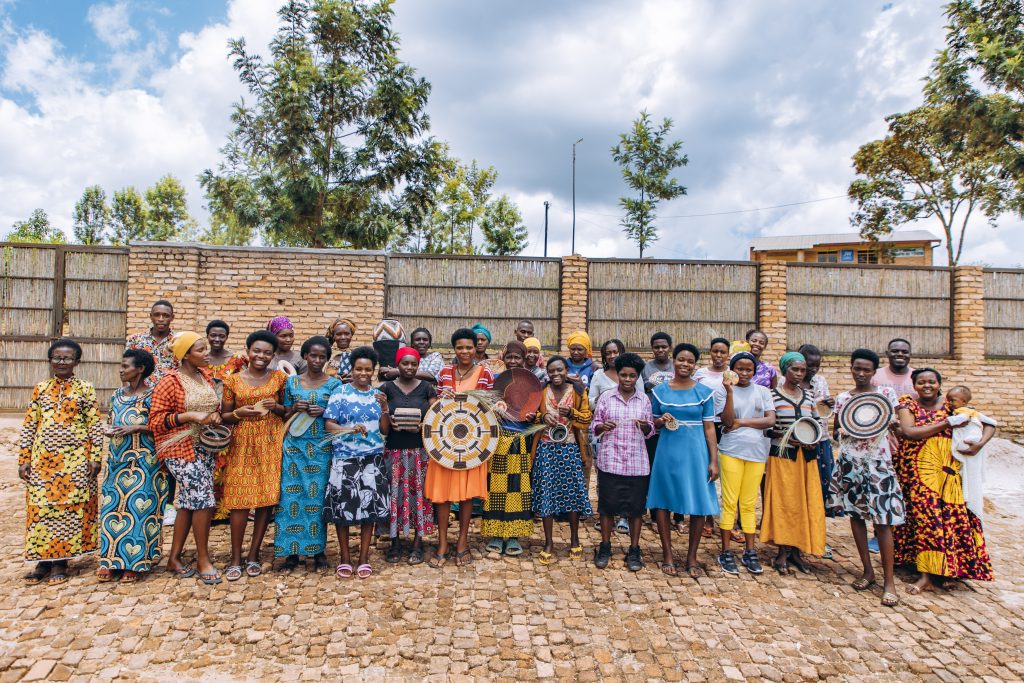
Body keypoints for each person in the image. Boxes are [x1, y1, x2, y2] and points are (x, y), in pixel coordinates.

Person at [894, 369, 995, 594]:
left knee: (950, 521)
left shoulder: (953, 403)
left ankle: (947, 570)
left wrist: (980, 444)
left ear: (939, 384)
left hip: (947, 474)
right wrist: (948, 423)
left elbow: (988, 423)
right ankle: (926, 575)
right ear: (914, 385)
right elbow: (910, 432)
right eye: (921, 382)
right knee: (924, 522)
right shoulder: (907, 404)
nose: (927, 386)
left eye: (932, 382)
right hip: (915, 474)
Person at [18, 338, 103, 585]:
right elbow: (30, 424)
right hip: (43, 462)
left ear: (76, 362)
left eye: (67, 358)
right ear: (50, 360)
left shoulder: (85, 388)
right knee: (41, 510)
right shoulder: (40, 389)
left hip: (74, 461)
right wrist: (24, 459)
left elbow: (94, 425)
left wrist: (95, 457)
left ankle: (61, 561)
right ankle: (43, 560)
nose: (61, 362)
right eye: (56, 357)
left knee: (69, 511)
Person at [829, 349, 905, 607]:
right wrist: (843, 428)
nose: (861, 374)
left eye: (866, 370)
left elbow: (896, 423)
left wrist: (893, 425)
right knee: (856, 517)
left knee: (883, 522)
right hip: (851, 463)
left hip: (879, 464)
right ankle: (867, 571)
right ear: (850, 368)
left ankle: (889, 582)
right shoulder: (843, 398)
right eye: (856, 369)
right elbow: (837, 432)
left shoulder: (885, 395)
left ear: (874, 372)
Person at [150, 331, 223, 585]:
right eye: (200, 350)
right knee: (203, 501)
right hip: (180, 449)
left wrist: (212, 416)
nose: (206, 353)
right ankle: (203, 559)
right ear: (185, 355)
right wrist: (189, 416)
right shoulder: (169, 381)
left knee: (188, 501)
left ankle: (174, 558)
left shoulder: (204, 376)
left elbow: (212, 408)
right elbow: (156, 421)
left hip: (204, 447)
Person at [220, 330, 288, 581]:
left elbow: (287, 412)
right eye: (256, 351)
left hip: (271, 442)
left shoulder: (280, 379)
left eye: (267, 352)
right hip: (242, 443)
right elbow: (224, 415)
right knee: (239, 499)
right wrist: (240, 413)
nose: (261, 356)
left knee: (265, 499)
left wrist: (277, 407)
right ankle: (235, 556)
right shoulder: (233, 380)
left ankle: (253, 554)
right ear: (248, 351)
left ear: (273, 355)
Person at [647, 343, 720, 578]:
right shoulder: (660, 391)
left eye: (690, 361)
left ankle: (692, 556)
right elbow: (653, 423)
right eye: (681, 360)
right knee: (662, 501)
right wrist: (659, 421)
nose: (685, 364)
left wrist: (713, 461)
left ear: (695, 365)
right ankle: (667, 553)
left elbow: (709, 428)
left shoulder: (704, 392)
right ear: (673, 361)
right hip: (668, 451)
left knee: (698, 503)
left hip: (696, 452)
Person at [97, 349, 169, 583]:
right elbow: (110, 422)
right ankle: (110, 560)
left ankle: (136, 562)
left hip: (146, 461)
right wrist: (109, 431)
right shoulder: (117, 394)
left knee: (140, 510)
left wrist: (137, 428)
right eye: (121, 365)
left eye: (126, 366)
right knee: (113, 508)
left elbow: (162, 425)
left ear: (140, 369)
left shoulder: (153, 395)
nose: (121, 369)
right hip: (118, 460)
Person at [425, 328, 494, 567]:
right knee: (442, 496)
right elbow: (434, 403)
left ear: (476, 348)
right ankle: (443, 543)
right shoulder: (444, 372)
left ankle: (462, 542)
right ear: (454, 349)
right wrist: (439, 398)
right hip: (443, 442)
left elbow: (489, 407)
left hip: (473, 443)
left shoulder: (485, 373)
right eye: (460, 348)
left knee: (466, 496)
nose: (464, 352)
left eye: (469, 347)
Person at [275, 336, 341, 574]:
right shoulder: (292, 383)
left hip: (321, 447)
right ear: (304, 356)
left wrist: (323, 412)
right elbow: (283, 415)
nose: (317, 360)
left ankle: (317, 551)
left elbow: (338, 418)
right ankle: (291, 553)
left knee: (315, 501)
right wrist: (294, 408)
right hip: (294, 446)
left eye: (322, 356)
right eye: (313, 355)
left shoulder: (334, 385)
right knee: (290, 498)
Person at [323, 346, 390, 579]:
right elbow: (328, 425)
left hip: (372, 458)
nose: (363, 373)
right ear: (351, 369)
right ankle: (344, 558)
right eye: (358, 369)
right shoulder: (340, 393)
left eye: (367, 369)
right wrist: (349, 429)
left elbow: (384, 430)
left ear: (373, 371)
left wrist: (385, 409)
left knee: (369, 510)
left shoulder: (378, 395)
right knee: (343, 510)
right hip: (344, 457)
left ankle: (363, 558)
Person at [761, 352, 825, 574]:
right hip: (782, 455)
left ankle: (797, 551)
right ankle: (781, 552)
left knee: (804, 502)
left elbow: (817, 424)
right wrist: (788, 434)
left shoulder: (808, 397)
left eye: (802, 370)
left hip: (806, 458)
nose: (799, 374)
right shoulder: (772, 395)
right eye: (794, 369)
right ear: (784, 370)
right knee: (783, 502)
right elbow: (766, 428)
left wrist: (812, 440)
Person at [592, 353, 655, 571]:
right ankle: (605, 545)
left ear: (637, 377)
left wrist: (645, 426)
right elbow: (595, 425)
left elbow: (650, 430)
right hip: (611, 460)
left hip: (637, 462)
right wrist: (602, 427)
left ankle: (634, 549)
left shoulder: (644, 399)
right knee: (607, 507)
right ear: (617, 375)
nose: (627, 379)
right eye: (623, 375)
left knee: (636, 509)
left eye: (632, 376)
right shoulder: (607, 397)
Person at [716, 351, 774, 577]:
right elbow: (727, 420)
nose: (744, 373)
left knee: (749, 503)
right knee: (730, 501)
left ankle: (750, 551)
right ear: (732, 369)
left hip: (757, 452)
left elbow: (770, 420)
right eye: (739, 368)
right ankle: (726, 551)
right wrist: (730, 392)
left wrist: (742, 421)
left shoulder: (763, 391)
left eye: (749, 369)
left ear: (755, 370)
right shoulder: (722, 391)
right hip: (731, 450)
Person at [531, 355, 593, 565]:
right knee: (547, 493)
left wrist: (573, 413)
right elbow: (530, 415)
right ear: (547, 373)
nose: (556, 374)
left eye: (560, 370)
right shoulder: (541, 391)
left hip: (570, 448)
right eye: (552, 371)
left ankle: (574, 539)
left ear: (567, 370)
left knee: (573, 493)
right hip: (546, 448)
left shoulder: (577, 391)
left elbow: (587, 419)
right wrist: (542, 418)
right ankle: (548, 542)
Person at [379, 346, 438, 565]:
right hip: (394, 452)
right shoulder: (387, 388)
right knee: (394, 496)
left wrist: (422, 426)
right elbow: (384, 430)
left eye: (414, 363)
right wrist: (387, 413)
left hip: (420, 453)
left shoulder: (427, 389)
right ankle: (394, 541)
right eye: (405, 363)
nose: (410, 367)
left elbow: (436, 420)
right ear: (397, 365)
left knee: (419, 496)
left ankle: (417, 542)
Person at [482, 341, 536, 556]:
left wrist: (534, 417)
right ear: (503, 358)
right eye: (510, 357)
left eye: (518, 357)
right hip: (498, 441)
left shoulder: (533, 385)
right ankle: (496, 534)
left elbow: (538, 413)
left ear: (524, 360)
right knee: (495, 488)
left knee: (518, 488)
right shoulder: (496, 382)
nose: (513, 361)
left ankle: (513, 536)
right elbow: (484, 410)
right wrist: (493, 410)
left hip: (521, 441)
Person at [799, 343, 836, 559]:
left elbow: (824, 410)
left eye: (816, 366)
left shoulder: (820, 381)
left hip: (819, 440)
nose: (812, 370)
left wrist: (829, 403)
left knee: (818, 491)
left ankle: (818, 536)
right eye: (808, 365)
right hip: (798, 442)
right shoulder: (789, 381)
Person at [588, 338, 628, 534]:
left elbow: (639, 400)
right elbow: (591, 403)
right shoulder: (598, 376)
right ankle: (606, 514)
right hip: (602, 432)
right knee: (603, 474)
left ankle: (624, 516)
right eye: (608, 353)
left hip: (627, 433)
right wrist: (611, 399)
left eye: (615, 352)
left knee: (625, 473)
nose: (612, 356)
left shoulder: (630, 374)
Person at [695, 337, 732, 538]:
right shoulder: (700, 373)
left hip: (725, 425)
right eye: (715, 351)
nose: (718, 355)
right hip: (705, 425)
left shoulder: (732, 374)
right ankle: (708, 518)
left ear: (728, 354)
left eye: (722, 352)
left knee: (726, 471)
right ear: (710, 352)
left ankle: (728, 520)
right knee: (707, 468)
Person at [946, 385, 996, 523]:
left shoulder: (963, 412)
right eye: (948, 400)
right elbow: (992, 421)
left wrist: (979, 442)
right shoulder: (972, 412)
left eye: (953, 400)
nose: (949, 403)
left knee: (968, 477)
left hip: (970, 444)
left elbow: (955, 422)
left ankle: (970, 504)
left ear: (964, 402)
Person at [125, 300, 177, 384]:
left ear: (172, 317)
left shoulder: (178, 341)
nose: (161, 319)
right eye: (157, 315)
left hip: (170, 394)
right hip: (141, 394)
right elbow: (126, 367)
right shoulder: (135, 340)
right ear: (151, 316)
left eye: (166, 316)